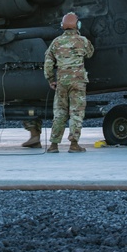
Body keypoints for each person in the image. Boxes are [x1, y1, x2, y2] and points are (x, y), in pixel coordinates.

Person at [43, 12, 95, 153]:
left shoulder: (56, 42)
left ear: (63, 26)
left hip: (62, 82)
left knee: (59, 112)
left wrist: (51, 79)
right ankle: (73, 144)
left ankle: (54, 145)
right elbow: (90, 53)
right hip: (78, 82)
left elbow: (48, 63)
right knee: (76, 112)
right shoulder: (83, 41)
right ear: (77, 25)